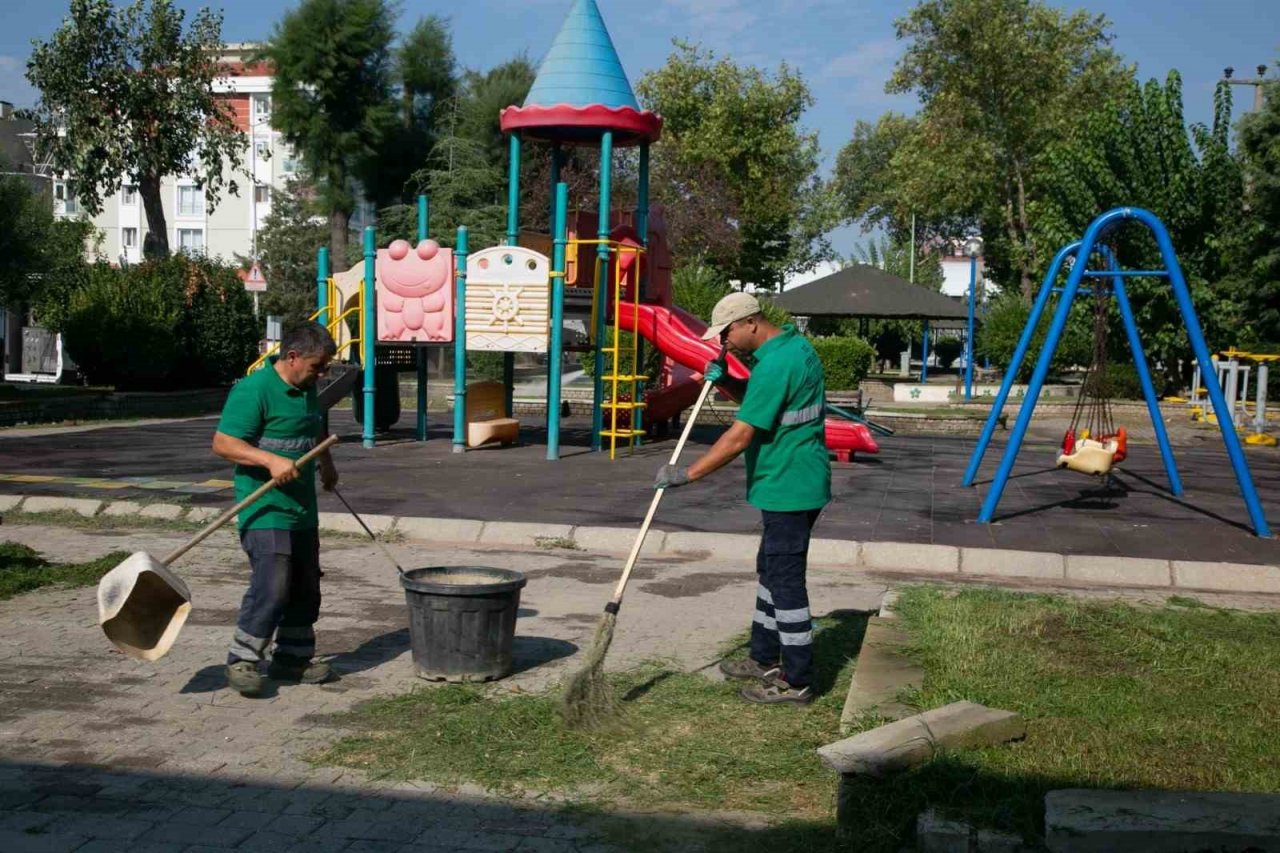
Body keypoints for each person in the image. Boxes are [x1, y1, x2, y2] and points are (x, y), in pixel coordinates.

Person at [655, 292, 830, 705]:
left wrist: (687, 474)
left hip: (790, 484)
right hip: (791, 479)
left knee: (785, 584)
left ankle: (797, 679)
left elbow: (740, 435)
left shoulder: (776, 364)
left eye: (727, 333)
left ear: (750, 322)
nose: (724, 343)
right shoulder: (792, 348)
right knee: (769, 570)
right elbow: (770, 401)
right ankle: (763, 656)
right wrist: (729, 380)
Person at [212, 322, 339, 697]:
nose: (323, 374)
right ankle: (243, 659)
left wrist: (327, 465)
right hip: (263, 505)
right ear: (293, 356)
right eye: (318, 366)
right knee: (274, 583)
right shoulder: (254, 390)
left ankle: (293, 659)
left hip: (302, 506)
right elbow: (222, 443)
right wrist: (269, 461)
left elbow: (314, 428)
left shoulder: (307, 389)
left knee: (305, 585)